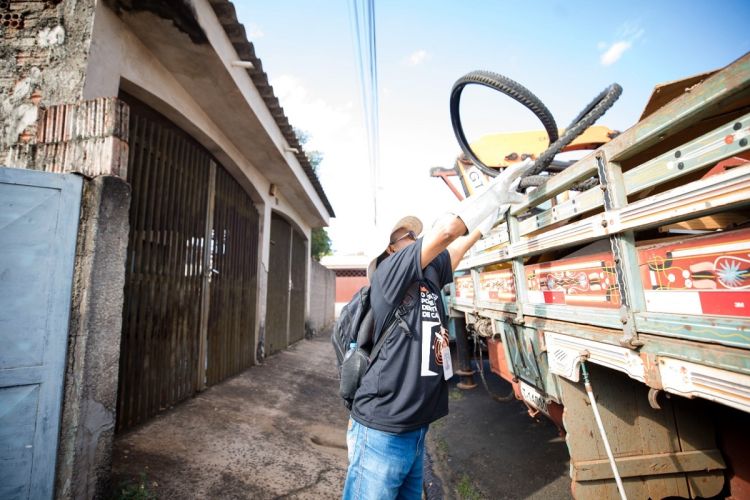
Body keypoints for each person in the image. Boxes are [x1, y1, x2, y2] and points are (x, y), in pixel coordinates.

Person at [342, 159, 533, 499]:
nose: (416, 238)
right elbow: (445, 232)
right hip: (381, 428)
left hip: (414, 427)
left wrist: (495, 211)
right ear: (390, 249)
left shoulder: (427, 277)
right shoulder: (390, 276)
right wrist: (491, 193)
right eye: (408, 236)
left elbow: (457, 245)